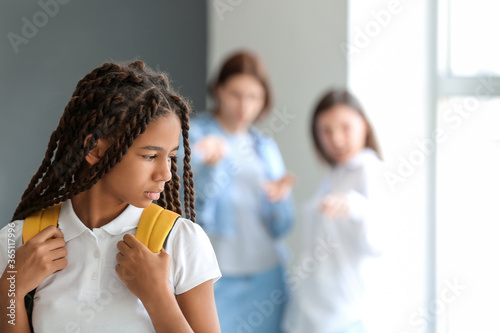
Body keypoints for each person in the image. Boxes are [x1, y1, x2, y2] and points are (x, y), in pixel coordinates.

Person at [0, 60, 221, 333]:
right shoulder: (19, 241)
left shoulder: (180, 241)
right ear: (94, 149)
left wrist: (158, 298)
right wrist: (10, 288)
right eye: (150, 156)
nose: (165, 173)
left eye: (171, 157)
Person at [187, 51, 295, 332]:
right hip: (216, 276)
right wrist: (210, 166)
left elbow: (282, 226)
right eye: (236, 94)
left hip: (267, 274)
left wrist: (280, 200)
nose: (244, 105)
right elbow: (188, 213)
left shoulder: (266, 147)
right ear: (219, 90)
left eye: (254, 97)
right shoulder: (195, 136)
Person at [282, 89, 384, 333]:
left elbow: (377, 242)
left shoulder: (368, 170)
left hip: (340, 315)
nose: (336, 139)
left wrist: (354, 206)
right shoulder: (337, 174)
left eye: (345, 128)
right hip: (313, 313)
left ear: (365, 125)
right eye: (326, 131)